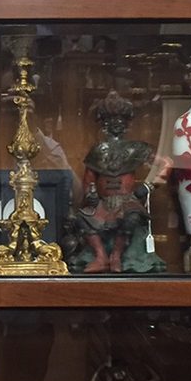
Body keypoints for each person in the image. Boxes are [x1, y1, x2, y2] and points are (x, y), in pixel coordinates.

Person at [74, 90, 169, 274]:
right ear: (104, 124)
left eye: (120, 120)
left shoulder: (136, 148)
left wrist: (149, 186)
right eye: (111, 120)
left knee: (131, 218)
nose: (115, 124)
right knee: (82, 218)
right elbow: (89, 179)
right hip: (102, 203)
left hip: (127, 201)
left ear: (126, 123)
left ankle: (116, 255)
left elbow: (166, 164)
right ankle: (100, 256)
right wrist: (90, 194)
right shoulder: (98, 150)